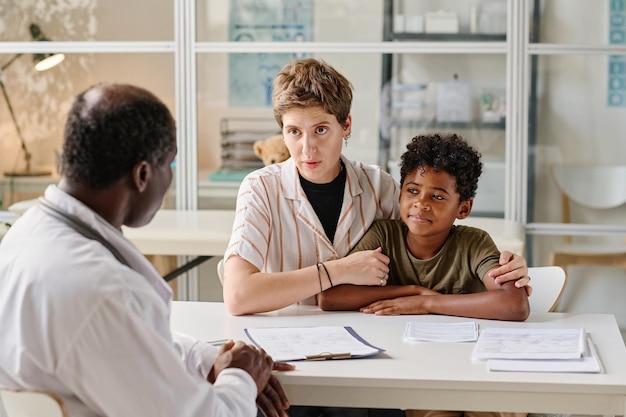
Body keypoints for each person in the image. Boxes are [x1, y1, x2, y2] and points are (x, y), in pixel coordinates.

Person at [223, 59, 530, 417]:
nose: (307, 148)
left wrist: (511, 267)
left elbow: (424, 239)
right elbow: (240, 295)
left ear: (346, 125)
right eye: (294, 132)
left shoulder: (379, 186)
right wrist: (338, 270)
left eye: (321, 130)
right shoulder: (260, 188)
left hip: (368, 354)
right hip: (286, 356)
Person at [0, 83, 293, 417]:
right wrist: (240, 375)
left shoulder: (24, 236)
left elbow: (122, 340)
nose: (168, 178)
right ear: (142, 174)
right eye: (169, 165)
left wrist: (208, 358)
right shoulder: (102, 289)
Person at [318, 133, 530, 322]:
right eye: (412, 190)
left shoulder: (474, 243)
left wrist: (425, 304)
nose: (421, 203)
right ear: (400, 195)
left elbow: (515, 305)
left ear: (463, 208)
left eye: (437, 196)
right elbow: (329, 297)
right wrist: (414, 292)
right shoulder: (384, 235)